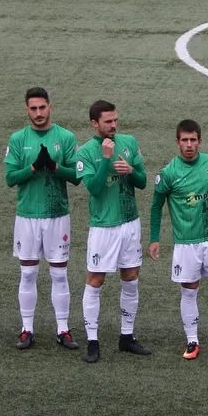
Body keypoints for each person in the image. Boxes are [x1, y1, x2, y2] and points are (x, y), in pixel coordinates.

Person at [148, 119, 208, 360]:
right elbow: (156, 205)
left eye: (193, 140)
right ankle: (192, 340)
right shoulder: (168, 173)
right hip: (186, 243)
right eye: (184, 140)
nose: (189, 145)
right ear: (177, 142)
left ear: (200, 141)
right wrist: (154, 238)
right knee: (189, 291)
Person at [4, 87, 81, 350]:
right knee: (28, 273)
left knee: (59, 275)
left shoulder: (66, 137)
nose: (38, 113)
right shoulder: (17, 139)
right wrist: (35, 166)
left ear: (50, 107)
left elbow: (77, 176)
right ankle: (27, 329)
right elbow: (10, 178)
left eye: (42, 107)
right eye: (33, 108)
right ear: (27, 110)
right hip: (27, 216)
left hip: (57, 214)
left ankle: (63, 329)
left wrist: (56, 167)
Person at [76, 100, 150, 363]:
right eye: (108, 121)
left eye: (115, 120)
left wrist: (131, 171)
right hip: (103, 227)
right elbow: (94, 189)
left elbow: (142, 182)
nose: (113, 125)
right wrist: (106, 161)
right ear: (94, 123)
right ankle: (93, 341)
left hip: (130, 223)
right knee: (95, 280)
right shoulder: (84, 152)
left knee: (131, 277)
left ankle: (126, 336)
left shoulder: (129, 142)